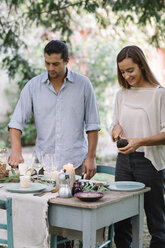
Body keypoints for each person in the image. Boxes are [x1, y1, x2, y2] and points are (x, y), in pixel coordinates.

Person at [8, 40, 100, 180]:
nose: (51, 68)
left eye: (56, 64)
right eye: (47, 63)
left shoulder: (83, 85)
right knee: (41, 201)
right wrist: (16, 151)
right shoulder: (33, 86)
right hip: (43, 164)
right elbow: (16, 122)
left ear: (66, 61)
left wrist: (91, 157)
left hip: (75, 163)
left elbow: (93, 125)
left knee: (72, 201)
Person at [111, 45, 165, 248]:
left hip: (149, 162)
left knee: (156, 222)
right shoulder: (121, 94)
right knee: (121, 220)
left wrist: (140, 141)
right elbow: (114, 123)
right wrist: (115, 130)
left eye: (130, 70)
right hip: (124, 162)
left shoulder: (159, 94)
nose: (126, 76)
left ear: (141, 65)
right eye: (122, 72)